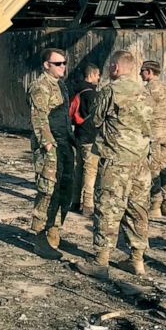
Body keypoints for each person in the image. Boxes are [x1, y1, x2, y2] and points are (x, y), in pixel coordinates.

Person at [77, 50, 153, 277]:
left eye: (110, 66)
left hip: (116, 161)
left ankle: (101, 262)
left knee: (108, 210)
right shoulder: (145, 92)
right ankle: (137, 261)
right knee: (138, 210)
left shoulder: (109, 91)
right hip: (141, 162)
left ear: (116, 68)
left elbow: (97, 119)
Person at [27, 48, 74, 260]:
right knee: (47, 190)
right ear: (46, 65)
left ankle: (54, 231)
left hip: (64, 144)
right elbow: (39, 118)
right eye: (58, 63)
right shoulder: (40, 87)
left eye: (64, 63)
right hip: (51, 146)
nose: (62, 67)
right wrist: (48, 146)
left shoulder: (60, 85)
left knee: (64, 189)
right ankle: (39, 237)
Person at [140, 60, 166, 217]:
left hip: (152, 136)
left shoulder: (147, 91)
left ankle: (155, 204)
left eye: (142, 70)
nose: (140, 73)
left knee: (153, 169)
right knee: (165, 168)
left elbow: (142, 113)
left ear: (149, 72)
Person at [71, 64, 101, 217]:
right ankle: (88, 204)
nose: (99, 78)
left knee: (78, 169)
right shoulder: (93, 95)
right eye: (97, 75)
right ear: (92, 75)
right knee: (90, 171)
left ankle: (74, 201)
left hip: (78, 135)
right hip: (90, 137)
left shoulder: (75, 90)